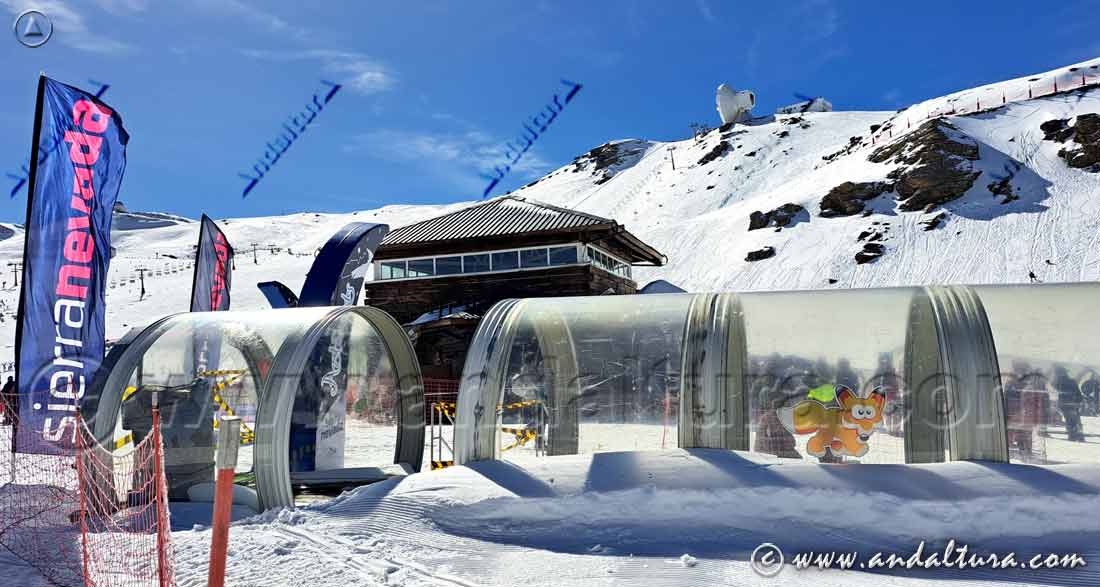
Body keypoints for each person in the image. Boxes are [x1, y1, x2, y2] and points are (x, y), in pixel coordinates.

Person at [1052, 365, 1085, 442]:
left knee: (1070, 420)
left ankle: (1073, 435)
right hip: (1072, 403)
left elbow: (1054, 386)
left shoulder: (1059, 382)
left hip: (1066, 404)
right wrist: (1079, 401)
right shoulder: (1071, 381)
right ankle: (1079, 436)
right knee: (1076, 419)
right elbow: (1078, 393)